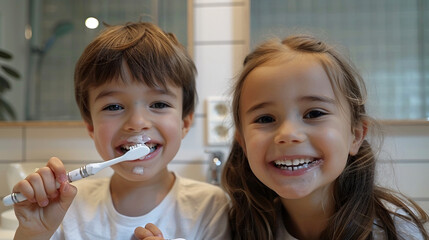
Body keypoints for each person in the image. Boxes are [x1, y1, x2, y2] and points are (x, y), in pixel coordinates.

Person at [12, 21, 230, 240]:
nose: (137, 123)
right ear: (91, 126)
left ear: (184, 123)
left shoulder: (209, 207)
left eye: (159, 104)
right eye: (114, 107)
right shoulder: (64, 207)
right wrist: (33, 233)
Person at [221, 34, 429, 239]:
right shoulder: (237, 229)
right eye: (265, 119)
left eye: (314, 114)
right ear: (244, 144)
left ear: (355, 135)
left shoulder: (396, 232)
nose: (288, 134)